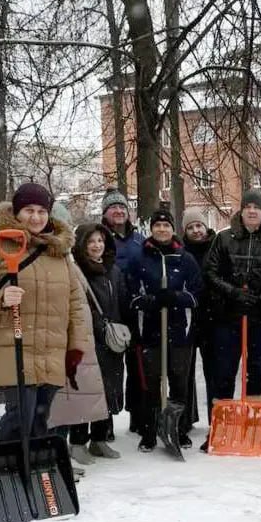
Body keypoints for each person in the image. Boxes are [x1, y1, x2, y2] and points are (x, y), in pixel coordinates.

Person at [0, 182, 91, 445]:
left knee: (40, 421)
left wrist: (76, 347)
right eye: (29, 210)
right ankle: (8, 473)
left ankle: (36, 473)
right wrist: (0, 297)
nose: (35, 217)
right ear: (17, 212)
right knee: (19, 417)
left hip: (51, 350)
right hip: (14, 344)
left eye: (42, 211)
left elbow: (75, 304)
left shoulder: (59, 252)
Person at [203, 189, 261, 448]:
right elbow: (211, 272)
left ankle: (253, 427)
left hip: (260, 317)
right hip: (228, 316)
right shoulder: (224, 239)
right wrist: (232, 293)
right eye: (247, 207)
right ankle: (220, 427)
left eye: (257, 208)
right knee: (225, 370)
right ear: (241, 211)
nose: (252, 211)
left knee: (255, 370)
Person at [128, 208, 203, 452]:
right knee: (151, 384)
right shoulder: (140, 258)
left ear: (173, 229)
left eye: (166, 225)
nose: (162, 229)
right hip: (150, 332)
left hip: (179, 331)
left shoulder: (185, 258)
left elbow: (196, 295)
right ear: (151, 229)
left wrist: (174, 297)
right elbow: (130, 295)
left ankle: (178, 430)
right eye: (157, 225)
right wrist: (149, 301)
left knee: (178, 382)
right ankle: (149, 431)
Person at [67, 221, 131, 461]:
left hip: (112, 341)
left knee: (108, 390)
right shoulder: (76, 271)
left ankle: (100, 439)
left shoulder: (112, 270)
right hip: (87, 340)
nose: (97, 246)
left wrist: (126, 328)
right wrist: (97, 326)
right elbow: (77, 305)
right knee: (85, 392)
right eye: (91, 241)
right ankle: (78, 442)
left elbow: (122, 301)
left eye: (101, 241)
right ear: (82, 245)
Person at [101, 188, 144, 431]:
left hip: (136, 311)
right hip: (110, 311)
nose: (119, 211)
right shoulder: (98, 237)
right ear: (105, 213)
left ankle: (138, 418)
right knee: (110, 371)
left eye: (122, 208)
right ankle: (104, 424)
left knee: (138, 369)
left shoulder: (139, 240)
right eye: (113, 207)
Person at [180, 207, 217, 430]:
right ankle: (186, 418)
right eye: (191, 227)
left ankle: (217, 417)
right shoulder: (180, 251)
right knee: (185, 369)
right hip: (187, 318)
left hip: (213, 317)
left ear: (206, 227)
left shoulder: (217, 247)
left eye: (199, 226)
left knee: (213, 371)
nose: (196, 230)